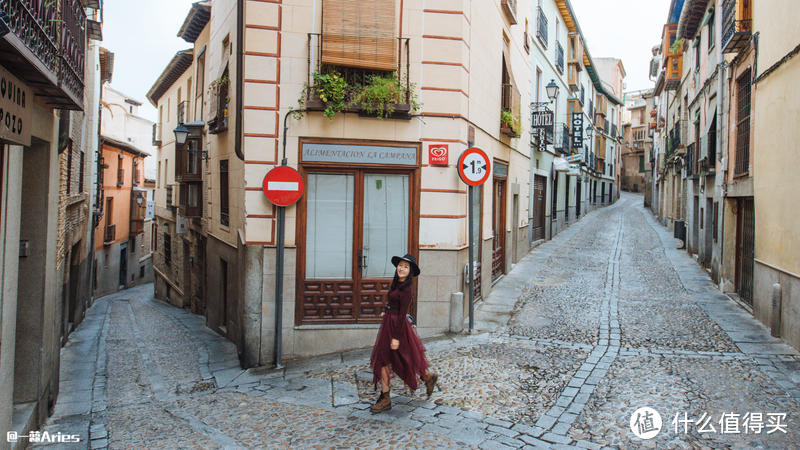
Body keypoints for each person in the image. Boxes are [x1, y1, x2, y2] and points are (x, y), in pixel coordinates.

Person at [369, 253, 438, 413]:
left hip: (398, 329)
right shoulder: (396, 284)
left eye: (406, 267)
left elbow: (401, 315)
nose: (402, 268)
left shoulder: (407, 290)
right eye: (400, 265)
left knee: (406, 359)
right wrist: (386, 311)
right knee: (383, 361)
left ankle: (428, 376)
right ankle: (385, 397)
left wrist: (396, 338)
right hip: (389, 324)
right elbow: (394, 305)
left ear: (410, 271)